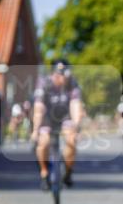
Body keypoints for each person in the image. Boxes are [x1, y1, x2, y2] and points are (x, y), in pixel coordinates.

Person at [32, 60, 84, 189]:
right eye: (62, 75)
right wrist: (35, 130)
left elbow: (75, 105)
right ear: (55, 75)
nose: (65, 78)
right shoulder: (44, 83)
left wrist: (77, 127)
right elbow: (39, 108)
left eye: (66, 75)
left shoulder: (72, 83)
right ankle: (44, 173)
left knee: (71, 141)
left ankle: (68, 171)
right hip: (48, 116)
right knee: (43, 143)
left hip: (65, 115)